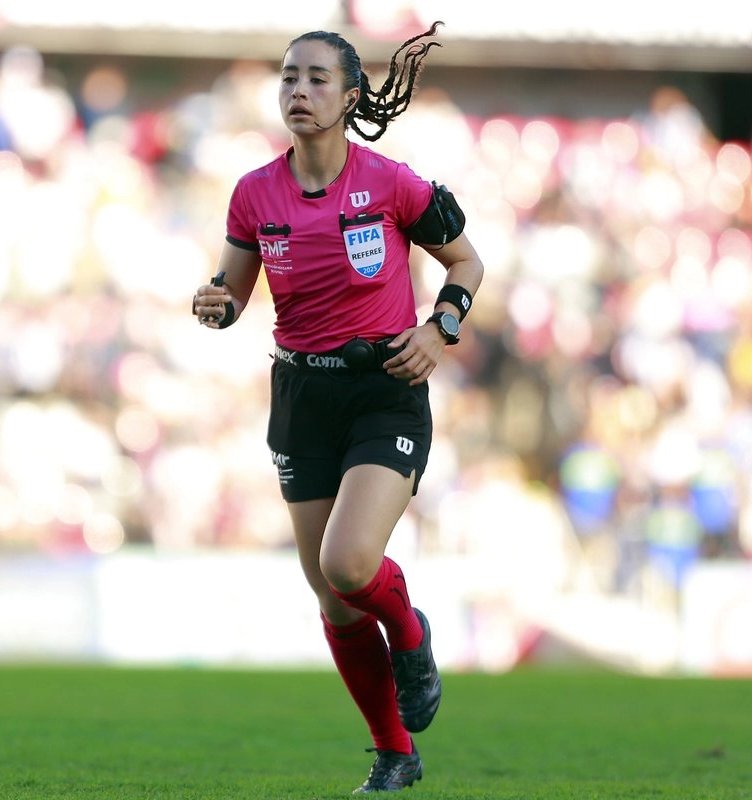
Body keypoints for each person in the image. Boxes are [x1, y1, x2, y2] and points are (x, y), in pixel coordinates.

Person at [192, 21, 484, 794]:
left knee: (348, 563)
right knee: (332, 595)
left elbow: (466, 260)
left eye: (318, 78)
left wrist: (440, 326)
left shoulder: (392, 182)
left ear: (352, 96)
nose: (299, 90)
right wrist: (213, 301)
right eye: (289, 76)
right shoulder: (255, 191)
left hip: (383, 390)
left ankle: (412, 635)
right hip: (300, 394)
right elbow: (234, 293)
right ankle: (395, 755)